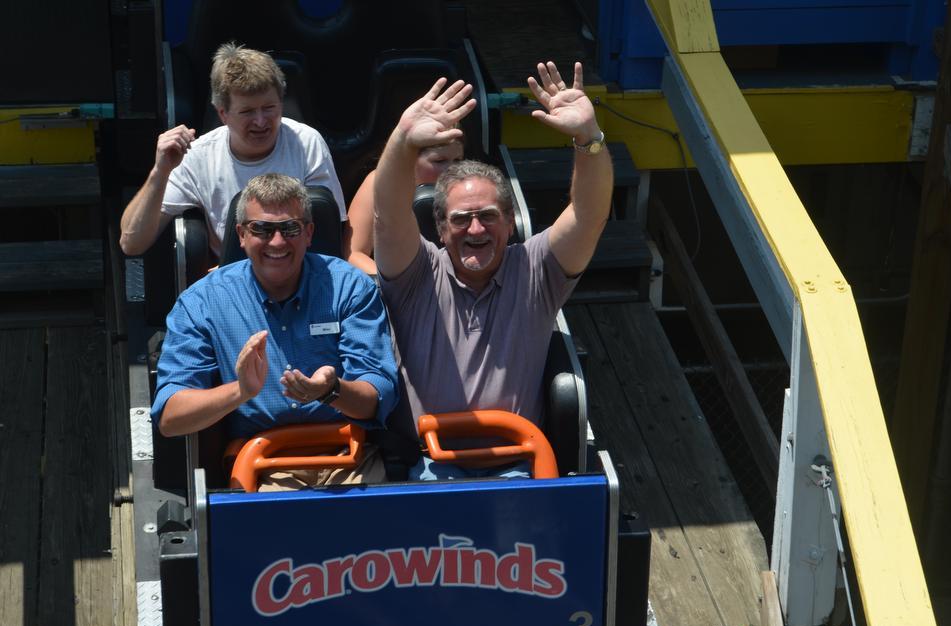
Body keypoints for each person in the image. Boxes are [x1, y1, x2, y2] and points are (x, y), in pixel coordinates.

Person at [371, 61, 612, 480]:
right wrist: (403, 140)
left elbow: (589, 215)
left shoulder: (535, 268)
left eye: (488, 216)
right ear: (441, 228)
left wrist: (587, 137)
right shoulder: (417, 272)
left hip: (519, 466)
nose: (476, 229)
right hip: (428, 469)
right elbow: (388, 214)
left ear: (509, 220)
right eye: (462, 219)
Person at [151, 173, 397, 490]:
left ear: (309, 233)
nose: (277, 242)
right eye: (262, 230)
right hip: (258, 464)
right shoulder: (202, 301)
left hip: (351, 457)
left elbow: (378, 395)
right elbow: (171, 417)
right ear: (241, 234)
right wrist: (240, 391)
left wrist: (331, 391)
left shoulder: (349, 286)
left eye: (290, 228)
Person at [119, 42, 346, 258]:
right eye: (247, 112)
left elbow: (329, 231)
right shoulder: (198, 156)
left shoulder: (306, 142)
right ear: (223, 114)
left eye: (269, 108)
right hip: (234, 281)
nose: (260, 121)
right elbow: (131, 243)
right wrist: (161, 171)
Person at [343, 135, 464, 275]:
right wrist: (397, 285)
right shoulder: (380, 184)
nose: (451, 170)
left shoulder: (468, 191)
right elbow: (353, 254)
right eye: (439, 161)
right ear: (409, 159)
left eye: (457, 161)